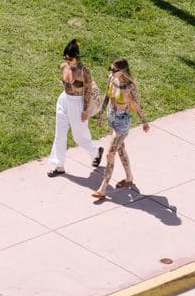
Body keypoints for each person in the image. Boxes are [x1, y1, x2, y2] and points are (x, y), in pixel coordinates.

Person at [92, 58, 149, 201]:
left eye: (114, 70)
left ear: (122, 71)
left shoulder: (130, 87)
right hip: (111, 117)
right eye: (110, 68)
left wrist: (144, 121)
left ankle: (103, 188)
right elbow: (107, 95)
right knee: (120, 149)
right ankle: (129, 177)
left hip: (122, 121)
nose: (111, 72)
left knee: (110, 153)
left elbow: (136, 104)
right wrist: (100, 113)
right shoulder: (112, 78)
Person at [47, 39, 104, 176]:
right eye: (65, 58)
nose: (67, 61)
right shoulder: (64, 67)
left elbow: (88, 91)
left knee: (79, 136)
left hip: (77, 103)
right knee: (59, 134)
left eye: (70, 59)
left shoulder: (84, 72)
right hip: (63, 100)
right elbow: (65, 84)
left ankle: (96, 152)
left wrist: (85, 110)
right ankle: (58, 165)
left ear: (77, 57)